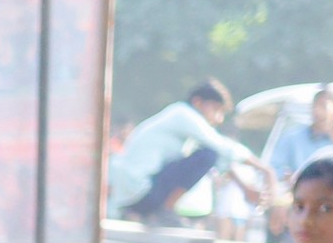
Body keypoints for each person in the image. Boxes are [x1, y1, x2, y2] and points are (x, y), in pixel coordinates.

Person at [105, 80, 268, 223]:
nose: (218, 119)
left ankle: (162, 210)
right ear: (198, 102)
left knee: (209, 155)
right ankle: (165, 210)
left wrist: (245, 187)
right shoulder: (183, 114)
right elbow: (221, 147)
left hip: (133, 196)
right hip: (141, 192)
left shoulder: (180, 122)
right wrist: (265, 169)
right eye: (216, 110)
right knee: (209, 154)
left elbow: (223, 161)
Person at [260, 85, 333, 184]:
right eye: (315, 106)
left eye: (323, 106)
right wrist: (289, 177)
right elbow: (272, 168)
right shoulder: (293, 137)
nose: (318, 111)